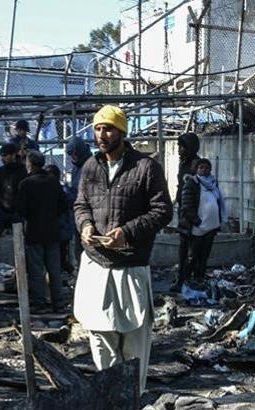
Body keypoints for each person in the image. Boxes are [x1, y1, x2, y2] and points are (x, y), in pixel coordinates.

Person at [72, 105, 172, 391]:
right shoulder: (91, 166)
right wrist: (86, 226)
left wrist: (126, 233)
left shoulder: (145, 167)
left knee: (134, 341)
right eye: (98, 128)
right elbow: (81, 205)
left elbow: (163, 210)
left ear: (122, 132)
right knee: (100, 337)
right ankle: (109, 399)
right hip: (96, 263)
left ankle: (132, 404)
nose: (102, 134)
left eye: (108, 129)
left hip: (130, 264)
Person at [15, 150, 66, 312]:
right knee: (54, 269)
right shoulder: (53, 182)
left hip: (33, 231)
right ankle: (58, 303)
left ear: (29, 164)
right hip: (52, 230)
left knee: (36, 270)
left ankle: (40, 303)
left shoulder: (25, 184)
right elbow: (63, 206)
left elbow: (20, 209)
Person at [178, 158, 226, 284]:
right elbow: (186, 206)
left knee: (204, 256)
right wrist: (198, 222)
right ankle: (186, 279)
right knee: (192, 256)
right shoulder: (192, 183)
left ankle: (199, 278)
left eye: (207, 167)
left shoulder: (213, 183)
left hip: (211, 227)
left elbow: (218, 201)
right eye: (201, 167)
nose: (204, 170)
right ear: (196, 169)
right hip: (197, 227)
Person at [173, 132, 201, 291]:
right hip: (183, 208)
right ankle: (182, 277)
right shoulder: (183, 163)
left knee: (193, 246)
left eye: (182, 146)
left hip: (193, 210)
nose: (179, 149)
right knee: (183, 245)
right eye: (178, 146)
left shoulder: (196, 164)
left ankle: (189, 278)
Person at [0, 142, 27, 260]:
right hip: (4, 210)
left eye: (4, 155)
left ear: (12, 155)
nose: (2, 158)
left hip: (14, 211)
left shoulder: (21, 170)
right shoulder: (2, 171)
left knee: (22, 243)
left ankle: (23, 271)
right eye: (2, 155)